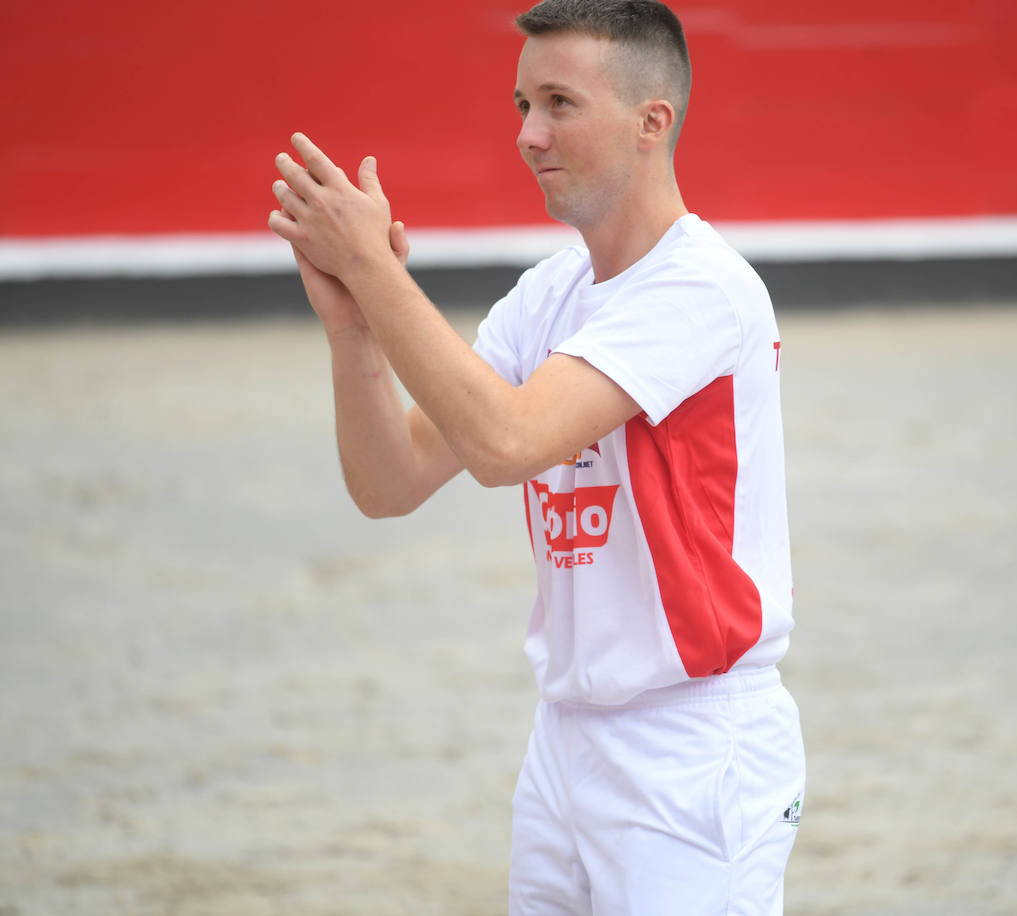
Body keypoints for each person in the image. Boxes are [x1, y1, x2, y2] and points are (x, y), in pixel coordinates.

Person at [266, 1, 804, 911]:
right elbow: (390, 482)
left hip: (691, 744)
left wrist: (376, 271)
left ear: (651, 122)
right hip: (565, 739)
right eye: (523, 104)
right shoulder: (548, 293)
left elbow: (506, 443)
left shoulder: (703, 287)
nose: (528, 134)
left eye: (559, 103)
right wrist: (355, 330)